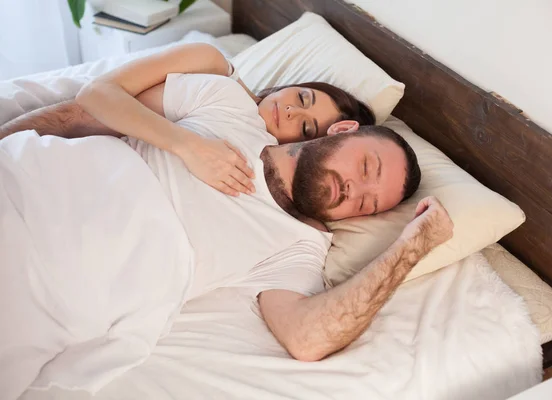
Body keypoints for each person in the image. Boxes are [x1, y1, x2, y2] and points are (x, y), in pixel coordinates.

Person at [1, 67, 452, 369]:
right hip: (36, 187)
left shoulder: (301, 246)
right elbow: (80, 114)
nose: (355, 191)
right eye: (367, 168)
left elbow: (308, 338)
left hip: (57, 287)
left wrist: (413, 244)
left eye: (368, 206)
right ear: (343, 130)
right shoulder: (227, 103)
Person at [0, 43, 375, 199]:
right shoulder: (212, 64)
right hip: (60, 126)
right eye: (303, 98)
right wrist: (186, 145)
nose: (292, 111)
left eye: (305, 126)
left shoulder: (253, 153)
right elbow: (91, 98)